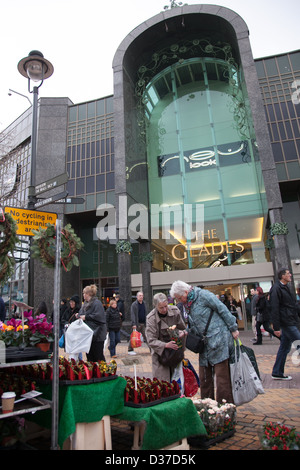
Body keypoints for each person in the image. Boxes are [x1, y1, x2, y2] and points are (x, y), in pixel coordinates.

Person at [170, 280, 239, 404]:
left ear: (186, 292)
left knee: (222, 377)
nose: (179, 301)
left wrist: (233, 328)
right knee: (204, 377)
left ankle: (225, 408)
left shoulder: (203, 295)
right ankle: (207, 406)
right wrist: (186, 331)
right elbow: (195, 324)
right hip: (205, 344)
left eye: (179, 298)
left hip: (219, 340)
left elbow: (222, 309)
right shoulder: (188, 304)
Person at [145, 292, 187, 382]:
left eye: (166, 306)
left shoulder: (175, 311)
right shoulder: (151, 318)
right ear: (155, 306)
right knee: (163, 383)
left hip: (175, 352)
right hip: (160, 355)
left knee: (178, 382)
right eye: (161, 308)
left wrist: (182, 333)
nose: (164, 310)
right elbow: (151, 340)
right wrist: (165, 345)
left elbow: (183, 329)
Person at [270, 268, 300, 380]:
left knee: (284, 348)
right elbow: (274, 308)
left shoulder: (285, 287)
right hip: (286, 322)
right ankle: (277, 372)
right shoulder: (276, 288)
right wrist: (276, 327)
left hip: (289, 320)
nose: (290, 275)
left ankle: (277, 372)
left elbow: (292, 305)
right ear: (282, 276)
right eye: (288, 274)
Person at [76, 284, 107, 362]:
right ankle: (92, 372)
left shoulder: (97, 303)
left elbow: (99, 317)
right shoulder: (85, 304)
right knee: (89, 355)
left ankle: (102, 372)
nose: (83, 295)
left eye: (84, 293)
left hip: (98, 334)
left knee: (98, 355)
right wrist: (79, 316)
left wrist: (86, 317)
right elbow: (81, 313)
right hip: (89, 334)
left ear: (88, 294)